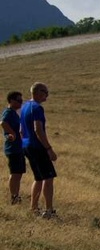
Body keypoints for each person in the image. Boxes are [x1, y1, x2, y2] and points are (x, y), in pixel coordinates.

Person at [20, 82, 58, 218]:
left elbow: (21, 130)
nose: (47, 95)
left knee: (38, 177)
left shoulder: (25, 107)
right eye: (45, 92)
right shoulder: (37, 108)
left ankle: (34, 208)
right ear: (37, 92)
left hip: (27, 145)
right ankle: (49, 211)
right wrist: (48, 148)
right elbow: (38, 129)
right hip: (37, 147)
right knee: (48, 178)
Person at [2, 91, 25, 205]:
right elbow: (3, 123)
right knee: (15, 173)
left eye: (21, 100)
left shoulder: (15, 113)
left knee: (19, 173)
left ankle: (16, 195)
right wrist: (12, 133)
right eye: (18, 100)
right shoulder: (8, 112)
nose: (21, 103)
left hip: (19, 148)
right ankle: (13, 197)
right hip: (12, 148)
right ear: (11, 101)